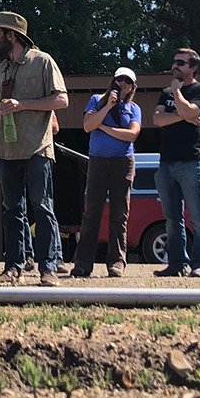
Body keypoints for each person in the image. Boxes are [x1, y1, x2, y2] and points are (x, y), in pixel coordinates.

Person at [0, 11, 69, 287]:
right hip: (5, 151)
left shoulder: (43, 62)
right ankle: (13, 267)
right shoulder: (0, 70)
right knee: (12, 210)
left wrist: (23, 104)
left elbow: (62, 100)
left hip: (36, 149)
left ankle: (48, 268)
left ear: (12, 35)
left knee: (42, 208)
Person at [73, 67, 141, 278]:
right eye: (120, 80)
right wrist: (107, 107)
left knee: (119, 213)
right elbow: (87, 125)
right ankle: (83, 263)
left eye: (127, 82)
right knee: (92, 212)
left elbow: (131, 134)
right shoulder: (96, 100)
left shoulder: (134, 108)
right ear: (113, 81)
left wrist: (103, 128)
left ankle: (117, 262)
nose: (123, 84)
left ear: (132, 87)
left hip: (123, 162)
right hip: (98, 161)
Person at [152, 48, 200, 278]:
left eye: (181, 63)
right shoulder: (164, 92)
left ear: (193, 67)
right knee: (172, 217)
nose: (175, 66)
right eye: (174, 61)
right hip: (166, 163)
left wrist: (178, 95)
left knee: (198, 215)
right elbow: (157, 120)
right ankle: (176, 264)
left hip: (192, 162)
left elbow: (190, 109)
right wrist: (183, 116)